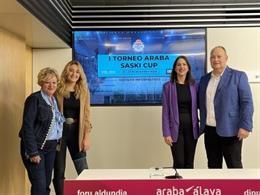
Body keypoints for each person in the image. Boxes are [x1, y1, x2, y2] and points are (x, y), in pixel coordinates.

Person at [198, 46, 254, 168]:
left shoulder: (238, 76)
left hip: (231, 131)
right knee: (213, 167)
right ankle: (216, 188)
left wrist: (245, 126)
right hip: (210, 130)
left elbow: (247, 102)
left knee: (234, 166)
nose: (215, 59)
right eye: (212, 57)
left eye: (219, 56)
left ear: (226, 58)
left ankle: (238, 188)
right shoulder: (204, 79)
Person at [19, 67, 64, 195]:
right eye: (47, 82)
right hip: (36, 148)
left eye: (54, 82)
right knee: (39, 186)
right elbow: (27, 127)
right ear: (41, 83)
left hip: (50, 148)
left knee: (45, 186)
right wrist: (33, 152)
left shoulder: (53, 100)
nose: (51, 85)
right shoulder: (35, 99)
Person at [53, 60, 92, 195]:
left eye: (77, 72)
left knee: (83, 170)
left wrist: (86, 137)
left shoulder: (84, 92)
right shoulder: (57, 90)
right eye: (71, 70)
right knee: (59, 170)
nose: (74, 74)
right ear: (66, 72)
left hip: (77, 134)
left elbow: (87, 116)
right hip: (60, 134)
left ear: (80, 75)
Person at [162, 55, 199, 168]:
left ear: (188, 68)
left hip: (192, 129)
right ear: (175, 68)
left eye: (184, 64)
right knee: (179, 162)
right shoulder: (168, 87)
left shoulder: (194, 86)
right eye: (178, 65)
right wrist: (166, 133)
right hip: (175, 129)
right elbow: (165, 111)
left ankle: (188, 186)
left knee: (189, 162)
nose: (181, 67)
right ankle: (177, 185)